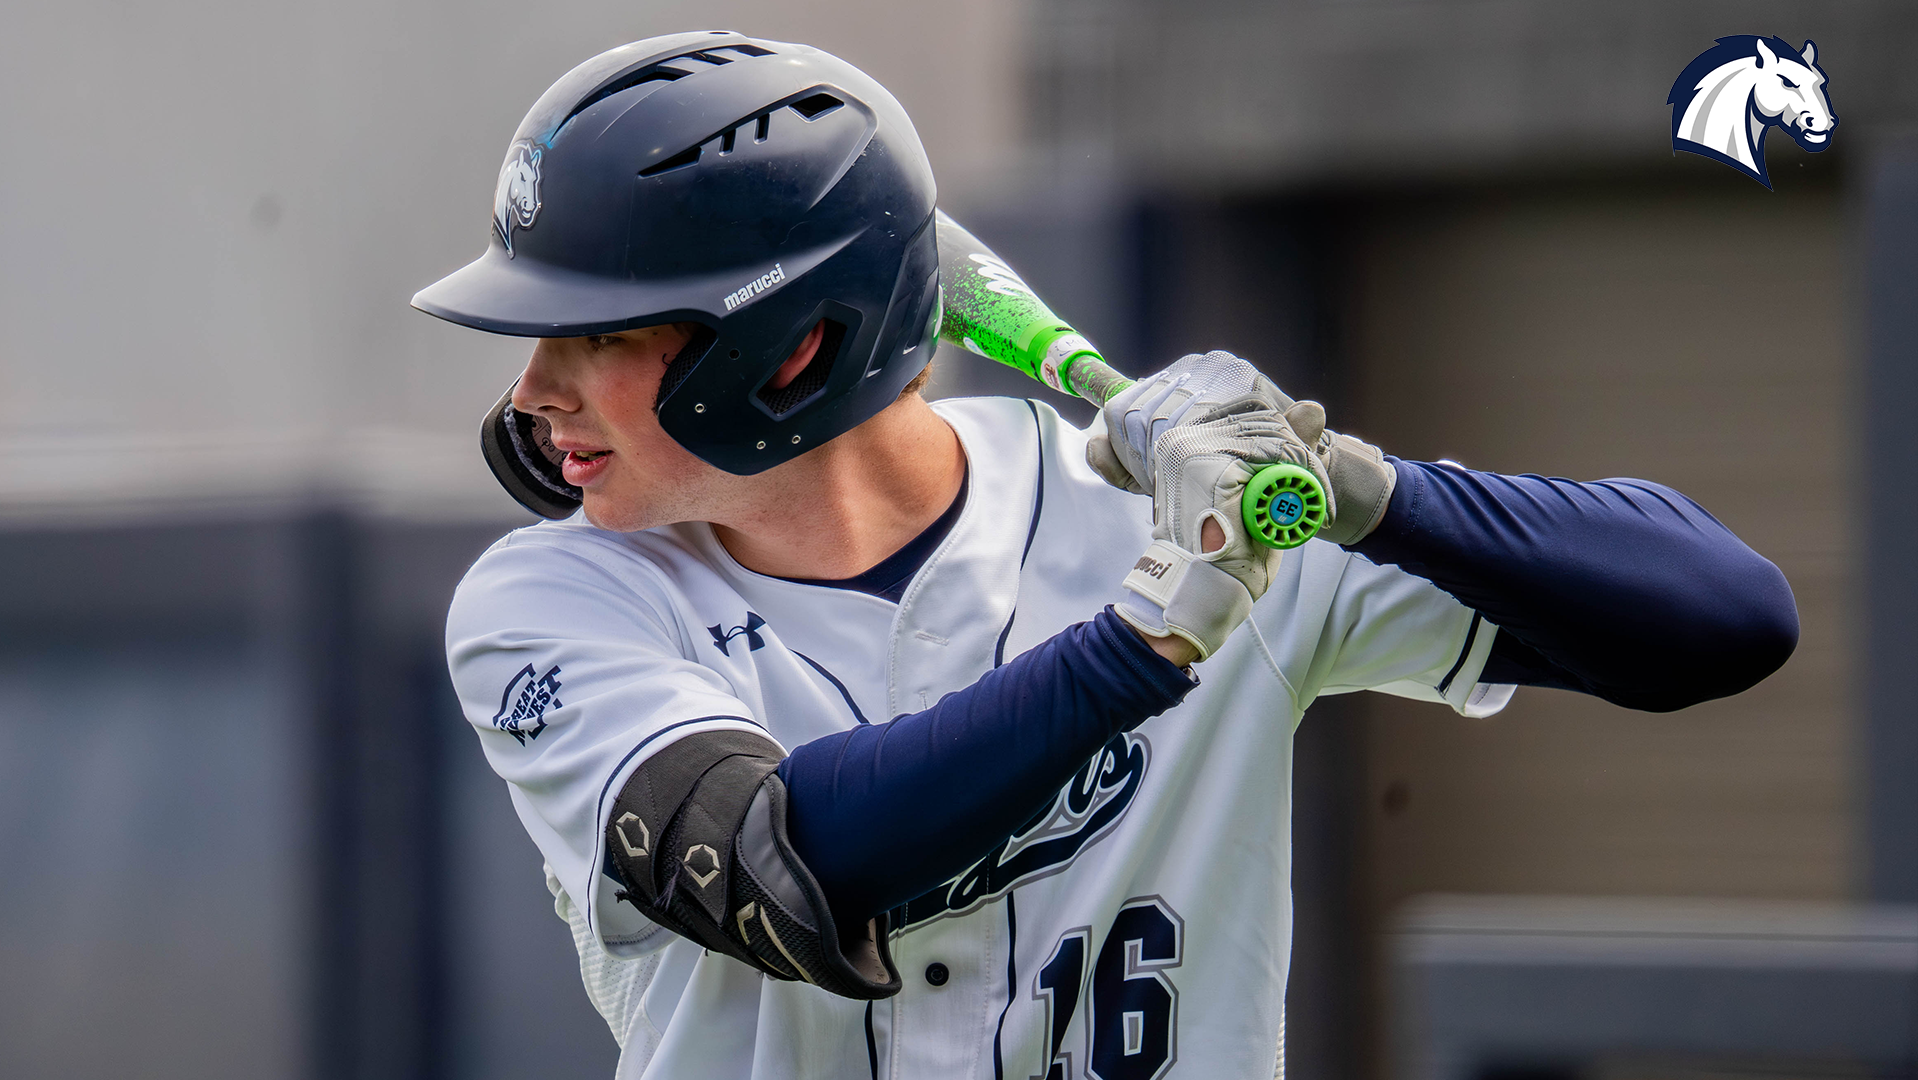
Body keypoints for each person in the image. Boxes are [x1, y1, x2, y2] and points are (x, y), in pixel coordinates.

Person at [415, 32, 1798, 1080]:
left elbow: (1721, 620)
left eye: (599, 334)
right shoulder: (550, 600)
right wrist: (1150, 639)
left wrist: (1352, 485)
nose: (534, 388)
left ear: (794, 347)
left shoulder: (1166, 525)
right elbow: (785, 860)